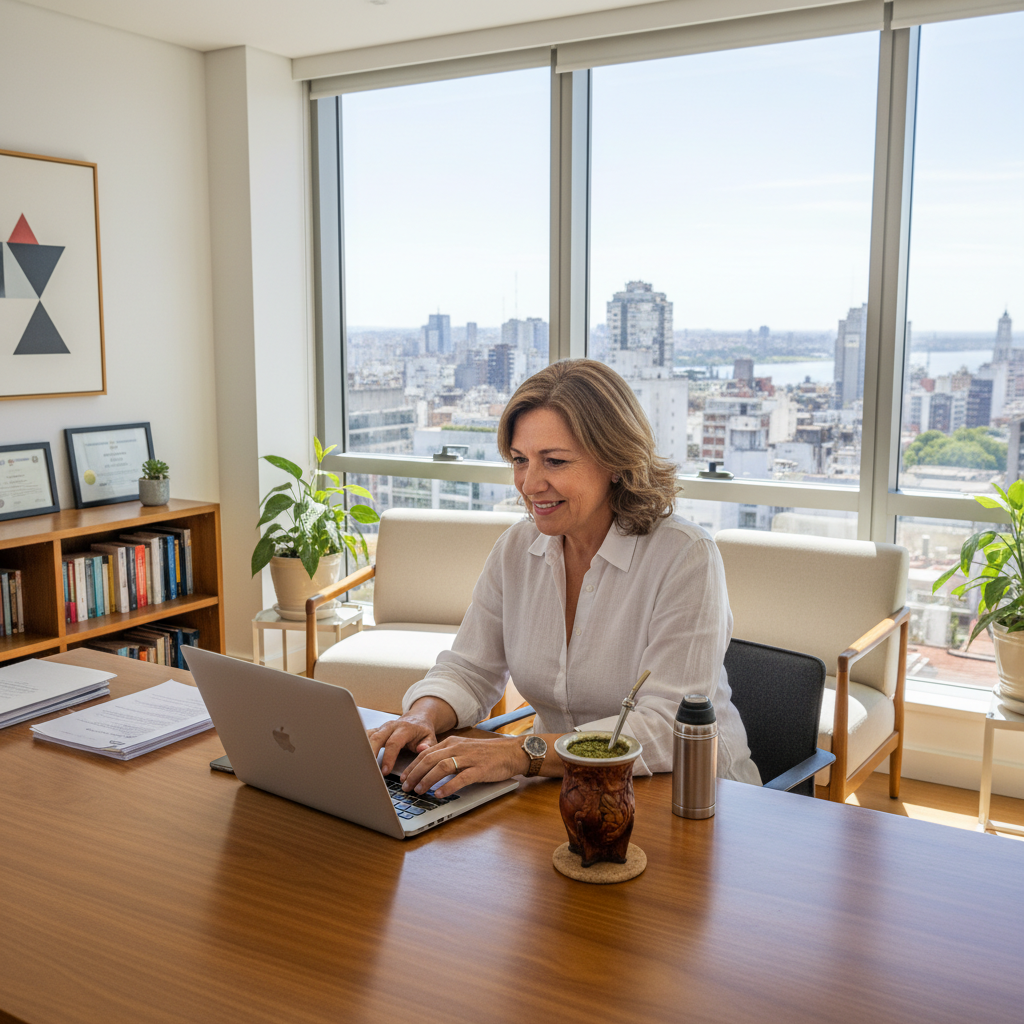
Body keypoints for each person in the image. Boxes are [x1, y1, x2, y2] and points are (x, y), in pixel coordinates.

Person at [369, 359, 761, 797]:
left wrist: (522, 753)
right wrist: (421, 715)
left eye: (553, 461)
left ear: (615, 460)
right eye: (520, 460)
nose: (529, 483)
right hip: (564, 792)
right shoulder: (517, 549)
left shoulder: (685, 557)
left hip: (691, 798)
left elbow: (666, 726)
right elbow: (469, 669)